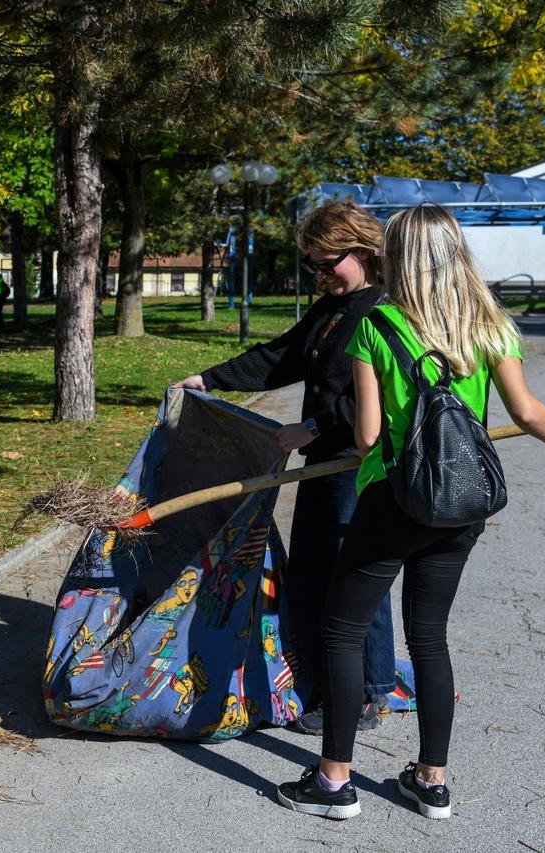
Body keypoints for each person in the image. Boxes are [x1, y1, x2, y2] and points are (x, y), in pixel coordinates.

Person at [276, 204, 545, 821]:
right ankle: (431, 781)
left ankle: (335, 782)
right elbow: (527, 414)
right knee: (430, 635)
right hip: (461, 504)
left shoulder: (377, 325)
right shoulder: (491, 325)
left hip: (392, 498)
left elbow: (364, 437)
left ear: (397, 257)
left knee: (343, 629)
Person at [173, 200, 396, 735]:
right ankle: (322, 677)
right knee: (315, 572)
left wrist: (314, 427)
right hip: (324, 465)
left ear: (363, 251)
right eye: (313, 267)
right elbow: (280, 357)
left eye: (328, 263)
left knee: (355, 577)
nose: (321, 275)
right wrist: (208, 380)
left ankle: (369, 691)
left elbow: (387, 398)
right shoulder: (329, 310)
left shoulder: (386, 311)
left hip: (360, 466)